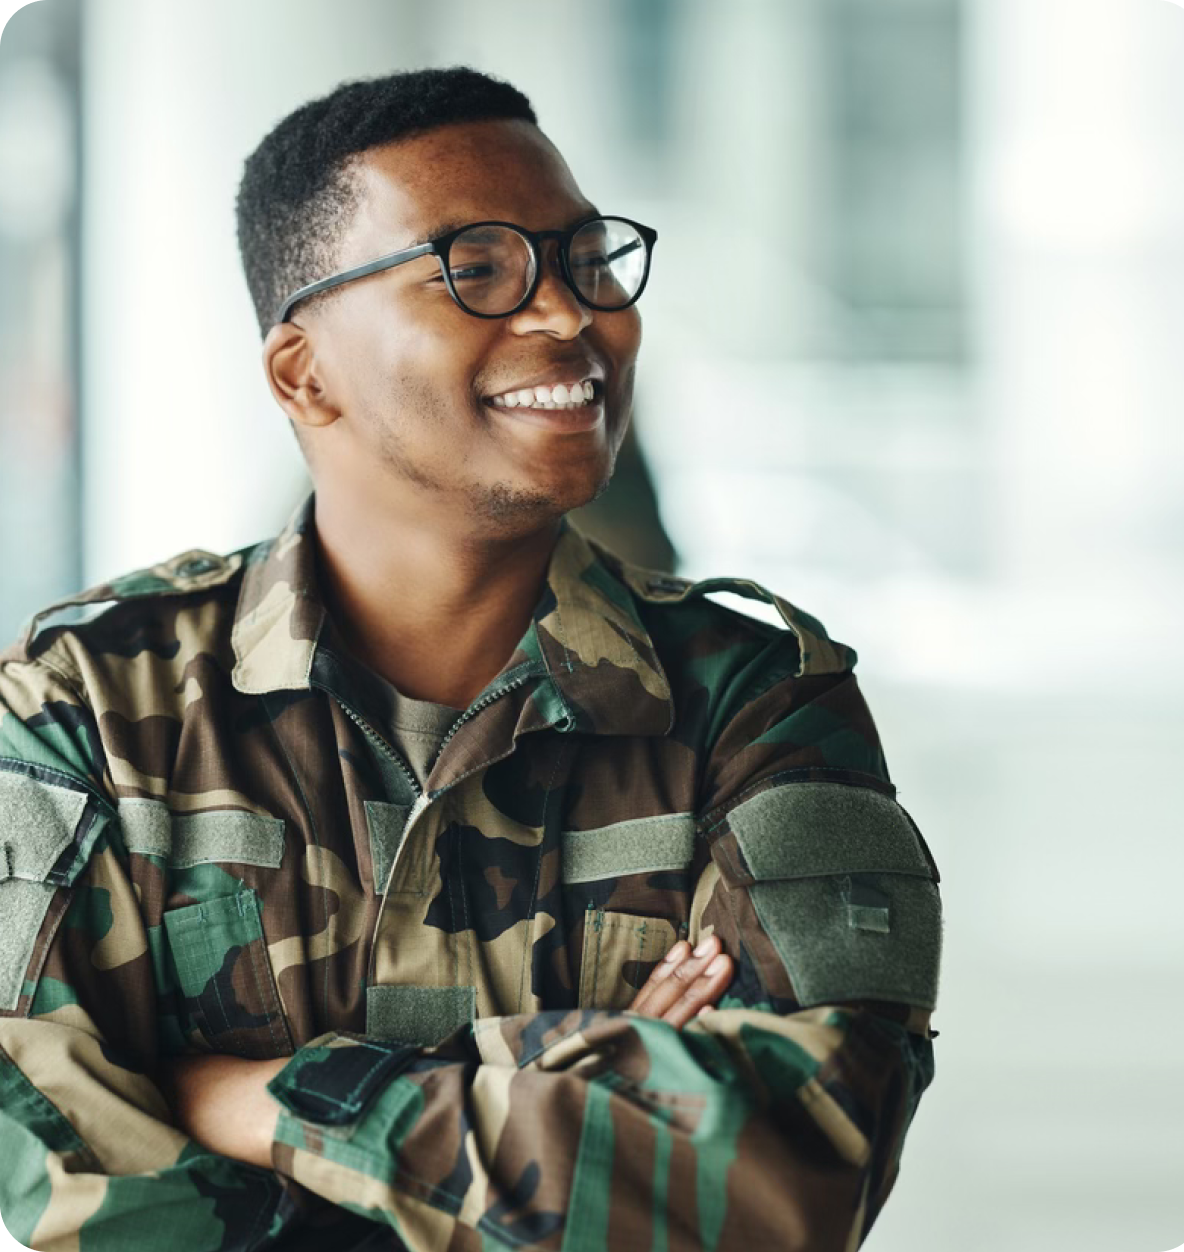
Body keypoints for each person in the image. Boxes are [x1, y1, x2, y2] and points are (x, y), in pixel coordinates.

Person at [0, 67, 942, 1250]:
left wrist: (246, 1094)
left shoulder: (756, 701)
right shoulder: (83, 705)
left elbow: (778, 1179)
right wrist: (573, 1098)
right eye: (477, 269)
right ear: (304, 373)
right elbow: (39, 1193)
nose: (570, 314)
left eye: (589, 260)